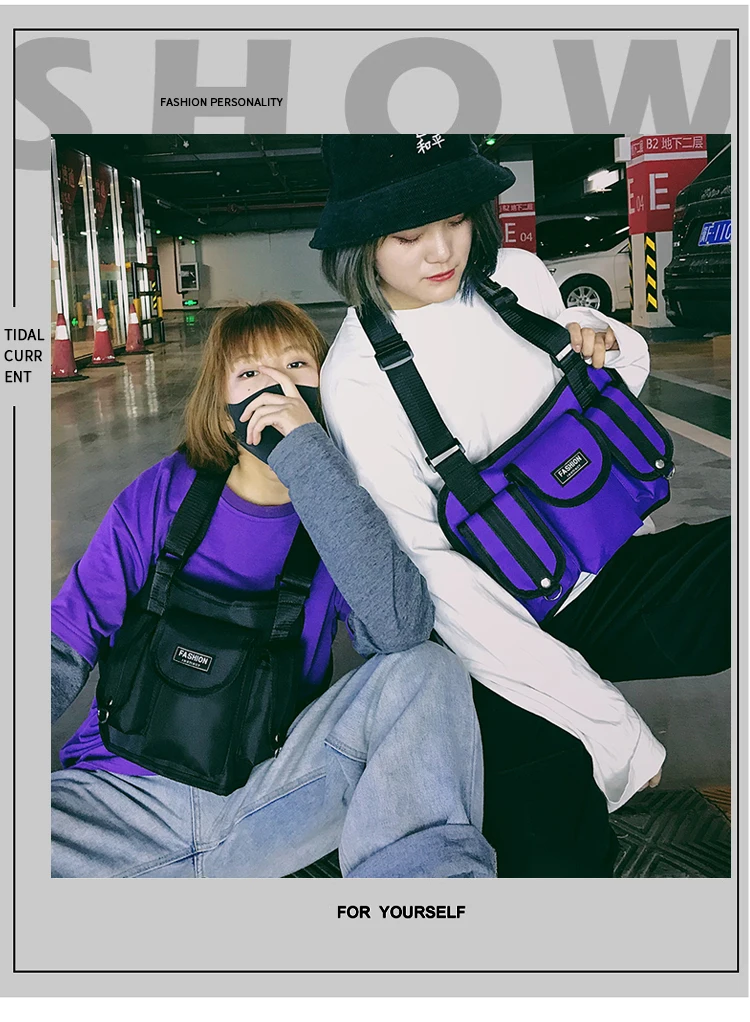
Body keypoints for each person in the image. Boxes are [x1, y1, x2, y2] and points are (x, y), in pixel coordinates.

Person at [313, 134, 731, 877]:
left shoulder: (514, 275)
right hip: (497, 628)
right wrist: (607, 725)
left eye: (455, 219)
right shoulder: (359, 382)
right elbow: (441, 585)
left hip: (607, 561)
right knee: (552, 835)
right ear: (360, 243)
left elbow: (608, 392)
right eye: (407, 235)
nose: (442, 251)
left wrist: (606, 342)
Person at [51, 300, 496, 879]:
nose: (277, 389)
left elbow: (401, 632)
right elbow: (64, 640)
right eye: (250, 372)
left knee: (428, 669)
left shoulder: (343, 509)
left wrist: (310, 459)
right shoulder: (160, 494)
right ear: (221, 408)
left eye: (296, 366)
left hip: (269, 796)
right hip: (116, 801)